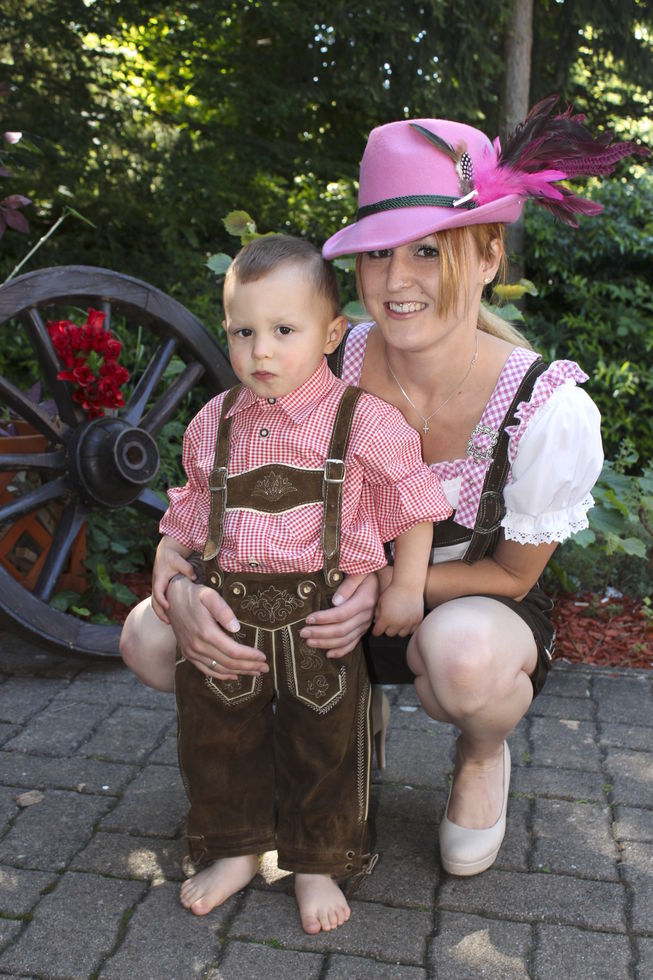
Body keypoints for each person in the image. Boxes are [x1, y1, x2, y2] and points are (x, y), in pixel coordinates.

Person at [121, 97, 647, 887]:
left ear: (488, 257)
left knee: (466, 660)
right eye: (375, 255)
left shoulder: (544, 408)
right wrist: (182, 582)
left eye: (428, 251)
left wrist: (386, 582)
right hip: (312, 607)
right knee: (149, 638)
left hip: (459, 604)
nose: (396, 282)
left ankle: (480, 753)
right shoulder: (314, 353)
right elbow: (220, 484)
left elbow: (512, 576)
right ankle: (312, 731)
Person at [121, 234, 452, 933]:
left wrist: (404, 588)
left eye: (283, 331)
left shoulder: (363, 421)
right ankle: (234, 849)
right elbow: (192, 507)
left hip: (320, 618)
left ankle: (318, 861)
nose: (260, 352)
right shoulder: (214, 423)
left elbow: (414, 502)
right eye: (243, 332)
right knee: (218, 739)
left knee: (322, 743)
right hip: (230, 613)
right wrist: (169, 553)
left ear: (331, 334)